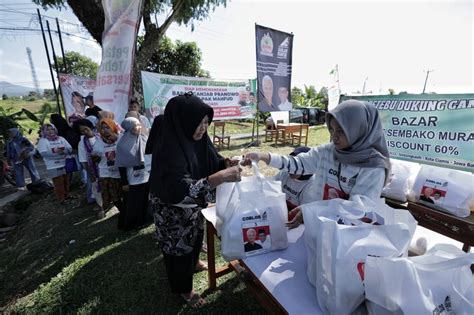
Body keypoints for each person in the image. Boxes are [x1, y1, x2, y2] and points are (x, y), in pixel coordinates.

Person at [148, 93, 242, 309]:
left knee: (194, 236)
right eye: (198, 123)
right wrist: (220, 177)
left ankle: (193, 264)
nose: (202, 128)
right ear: (183, 122)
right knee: (177, 249)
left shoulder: (200, 139)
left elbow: (211, 160)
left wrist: (225, 163)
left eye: (206, 123)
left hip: (193, 209)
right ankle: (184, 289)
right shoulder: (167, 148)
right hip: (170, 210)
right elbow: (179, 190)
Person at [243, 99, 391, 228]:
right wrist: (263, 156)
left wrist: (312, 211)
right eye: (332, 129)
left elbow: (357, 210)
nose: (334, 136)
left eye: (341, 131)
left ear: (359, 129)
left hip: (347, 237)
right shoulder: (328, 151)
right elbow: (298, 164)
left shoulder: (373, 167)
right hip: (319, 226)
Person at [116, 117, 152, 231]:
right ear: (129, 127)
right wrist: (124, 182)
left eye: (139, 124)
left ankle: (145, 220)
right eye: (136, 125)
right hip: (133, 179)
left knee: (146, 200)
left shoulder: (144, 138)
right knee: (133, 203)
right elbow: (121, 164)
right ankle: (132, 223)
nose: (139, 127)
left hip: (146, 176)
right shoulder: (122, 143)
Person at [92, 118, 124, 218]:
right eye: (103, 128)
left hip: (120, 172)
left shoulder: (121, 138)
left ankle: (126, 210)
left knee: (122, 194)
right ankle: (122, 210)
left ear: (113, 127)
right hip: (106, 173)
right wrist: (94, 157)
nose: (105, 130)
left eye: (108, 127)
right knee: (113, 195)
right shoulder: (98, 142)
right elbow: (95, 159)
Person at [37, 123, 72, 204]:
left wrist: (63, 151)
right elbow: (44, 154)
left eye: (52, 129)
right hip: (53, 166)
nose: (50, 131)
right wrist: (59, 155)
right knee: (58, 183)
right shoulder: (42, 141)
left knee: (66, 181)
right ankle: (61, 199)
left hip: (65, 163)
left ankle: (67, 195)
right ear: (43, 131)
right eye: (47, 130)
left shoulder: (61, 138)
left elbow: (69, 148)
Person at [273, 146, 316, 211]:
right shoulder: (285, 173)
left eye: (297, 166)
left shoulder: (312, 185)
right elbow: (271, 187)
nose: (291, 169)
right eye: (292, 164)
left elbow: (303, 213)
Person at [74, 119, 100, 209]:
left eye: (86, 129)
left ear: (90, 127)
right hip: (93, 169)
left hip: (105, 167)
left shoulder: (100, 137)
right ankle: (99, 203)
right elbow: (83, 160)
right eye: (82, 131)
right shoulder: (81, 144)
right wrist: (90, 173)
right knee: (96, 186)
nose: (85, 132)